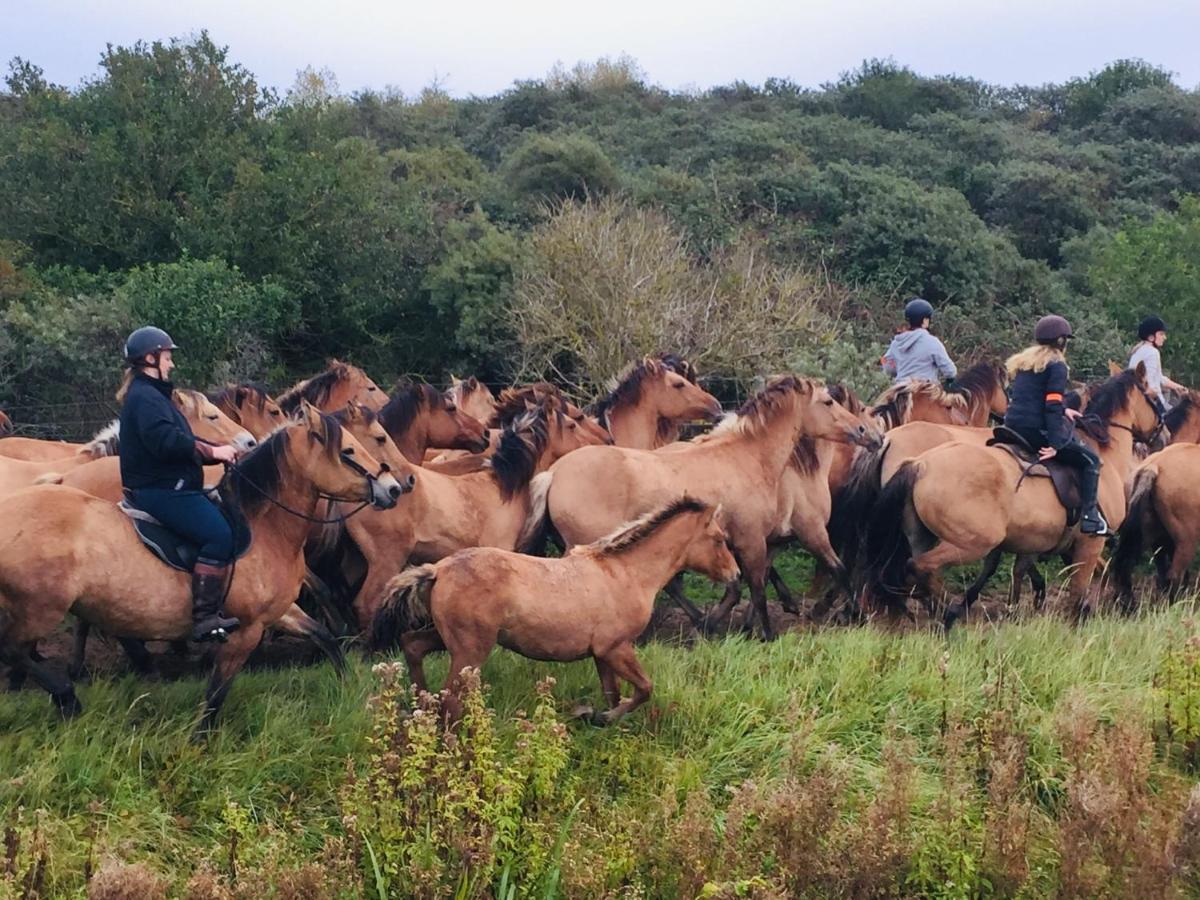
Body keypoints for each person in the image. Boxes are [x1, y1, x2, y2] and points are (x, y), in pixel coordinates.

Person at [117, 326, 243, 642]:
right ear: (150, 358)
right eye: (167, 356)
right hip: (161, 490)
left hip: (172, 484)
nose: (171, 363)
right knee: (219, 535)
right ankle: (204, 618)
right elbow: (165, 442)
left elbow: (183, 440)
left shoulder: (154, 396)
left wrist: (217, 454)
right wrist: (213, 450)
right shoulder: (145, 397)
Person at [1003, 315, 1108, 536]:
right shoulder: (1057, 365)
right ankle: (1090, 518)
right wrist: (1056, 444)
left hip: (1013, 425)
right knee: (1091, 460)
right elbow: (1050, 406)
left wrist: (1064, 408)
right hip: (1035, 430)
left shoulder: (1026, 362)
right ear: (1061, 341)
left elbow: (1037, 398)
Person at [880, 298, 958, 385]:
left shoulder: (896, 343)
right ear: (924, 321)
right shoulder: (932, 342)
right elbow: (950, 371)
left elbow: (888, 368)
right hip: (924, 391)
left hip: (900, 390)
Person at [1128, 315, 1185, 412]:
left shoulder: (1138, 351)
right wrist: (1162, 405)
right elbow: (1151, 385)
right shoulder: (1152, 353)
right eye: (1161, 334)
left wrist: (1180, 388)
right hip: (1152, 405)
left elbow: (1158, 378)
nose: (1165, 337)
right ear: (1151, 337)